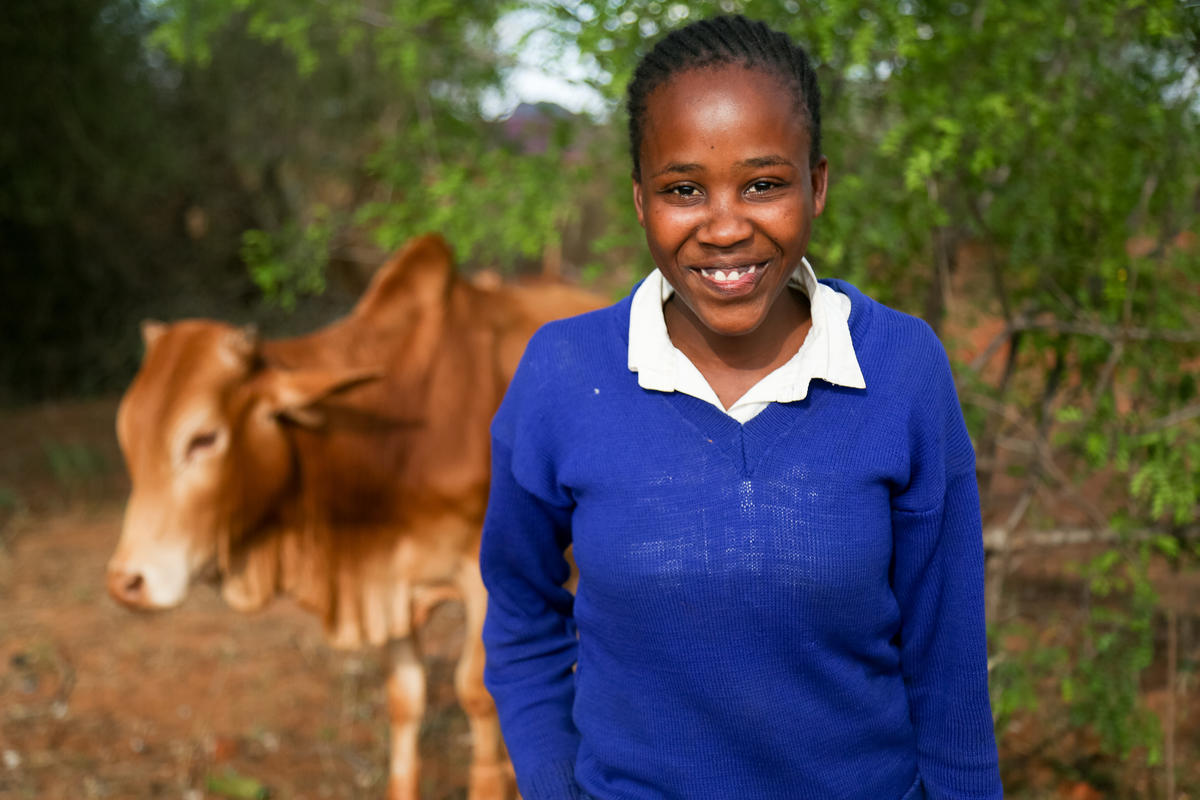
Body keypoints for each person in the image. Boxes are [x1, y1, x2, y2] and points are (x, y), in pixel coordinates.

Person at [480, 14, 1003, 800]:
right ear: (639, 199)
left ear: (817, 185)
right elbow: (522, 609)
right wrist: (556, 783)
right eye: (683, 189)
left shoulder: (898, 368)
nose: (725, 227)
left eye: (763, 184)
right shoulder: (564, 373)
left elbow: (948, 660)